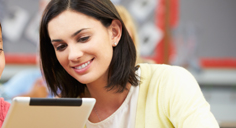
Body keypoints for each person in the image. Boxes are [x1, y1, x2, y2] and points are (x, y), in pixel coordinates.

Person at [39, 0, 219, 128]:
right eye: (61, 46)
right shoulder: (62, 110)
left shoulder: (169, 83)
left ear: (115, 32)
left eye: (83, 38)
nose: (73, 55)